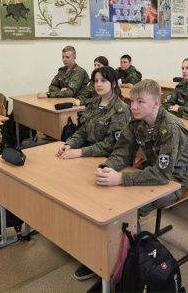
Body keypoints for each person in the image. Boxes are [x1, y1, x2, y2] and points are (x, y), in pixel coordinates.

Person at [62, 66, 131, 281]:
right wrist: (70, 144)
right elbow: (82, 131)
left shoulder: (120, 110)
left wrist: (80, 152)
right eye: (96, 80)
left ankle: (100, 257)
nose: (98, 84)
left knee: (96, 207)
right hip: (87, 158)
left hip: (110, 162)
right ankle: (80, 241)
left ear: (114, 83)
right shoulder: (93, 103)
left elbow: (111, 145)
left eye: (103, 80)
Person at [95, 78, 188, 217]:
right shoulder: (136, 121)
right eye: (132, 101)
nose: (133, 107)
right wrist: (107, 168)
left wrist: (121, 178)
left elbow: (163, 175)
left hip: (173, 179)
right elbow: (122, 152)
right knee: (109, 195)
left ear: (156, 103)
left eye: (140, 101)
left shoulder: (170, 127)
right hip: (151, 169)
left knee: (128, 207)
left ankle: (130, 230)